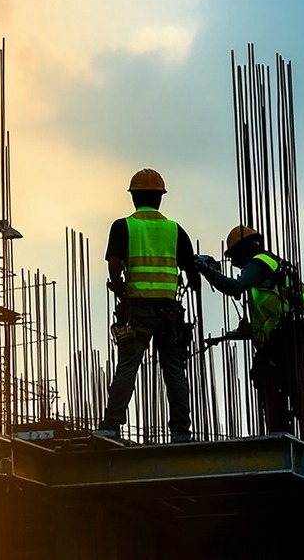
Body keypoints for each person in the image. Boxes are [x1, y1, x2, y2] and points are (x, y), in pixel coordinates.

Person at [190, 225, 304, 444]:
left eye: (234, 257)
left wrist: (205, 270)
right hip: (283, 342)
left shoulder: (261, 263)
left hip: (291, 341)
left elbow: (235, 287)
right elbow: (268, 317)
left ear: (245, 249)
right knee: (282, 399)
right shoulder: (269, 274)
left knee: (303, 398)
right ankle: (292, 444)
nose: (236, 264)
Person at [94, 168, 199, 444]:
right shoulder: (175, 230)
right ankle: (180, 431)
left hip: (137, 307)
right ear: (160, 198)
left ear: (133, 197)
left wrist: (118, 286)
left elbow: (114, 263)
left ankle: (111, 425)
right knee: (174, 369)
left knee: (128, 366)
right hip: (168, 311)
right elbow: (192, 272)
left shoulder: (123, 226)